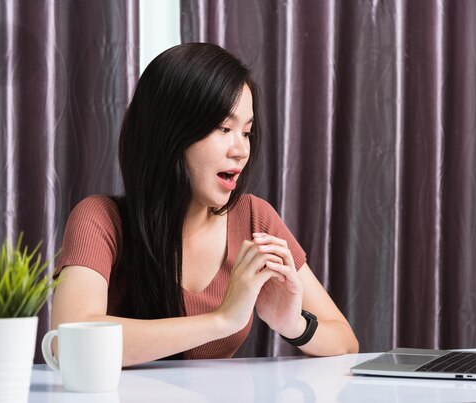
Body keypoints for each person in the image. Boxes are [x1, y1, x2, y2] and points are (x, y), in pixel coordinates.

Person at [51, 43, 359, 366]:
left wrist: (293, 324)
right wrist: (222, 320)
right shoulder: (100, 219)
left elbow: (347, 343)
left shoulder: (254, 219)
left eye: (247, 132)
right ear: (170, 133)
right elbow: (70, 339)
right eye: (224, 129)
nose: (241, 150)